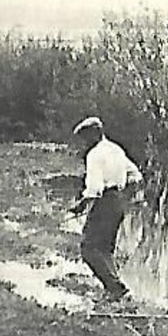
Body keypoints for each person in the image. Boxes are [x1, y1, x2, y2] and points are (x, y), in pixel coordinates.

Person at [66, 116, 143, 302]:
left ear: (95, 133)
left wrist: (81, 205)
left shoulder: (94, 155)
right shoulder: (116, 149)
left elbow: (95, 189)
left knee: (89, 248)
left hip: (105, 203)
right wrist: (125, 193)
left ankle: (117, 289)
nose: (84, 142)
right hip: (118, 202)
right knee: (105, 249)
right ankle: (115, 289)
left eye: (85, 137)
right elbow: (135, 175)